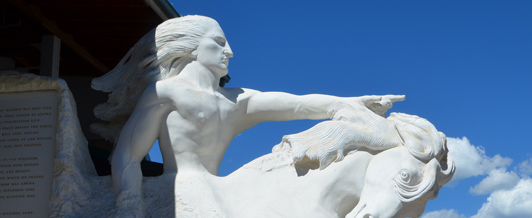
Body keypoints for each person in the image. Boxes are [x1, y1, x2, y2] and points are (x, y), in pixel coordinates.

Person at [91, 15, 403, 196]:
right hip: (176, 197)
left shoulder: (237, 101)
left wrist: (352, 102)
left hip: (217, 193)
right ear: (191, 48)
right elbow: (126, 158)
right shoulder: (164, 93)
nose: (230, 52)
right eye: (219, 43)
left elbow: (300, 106)